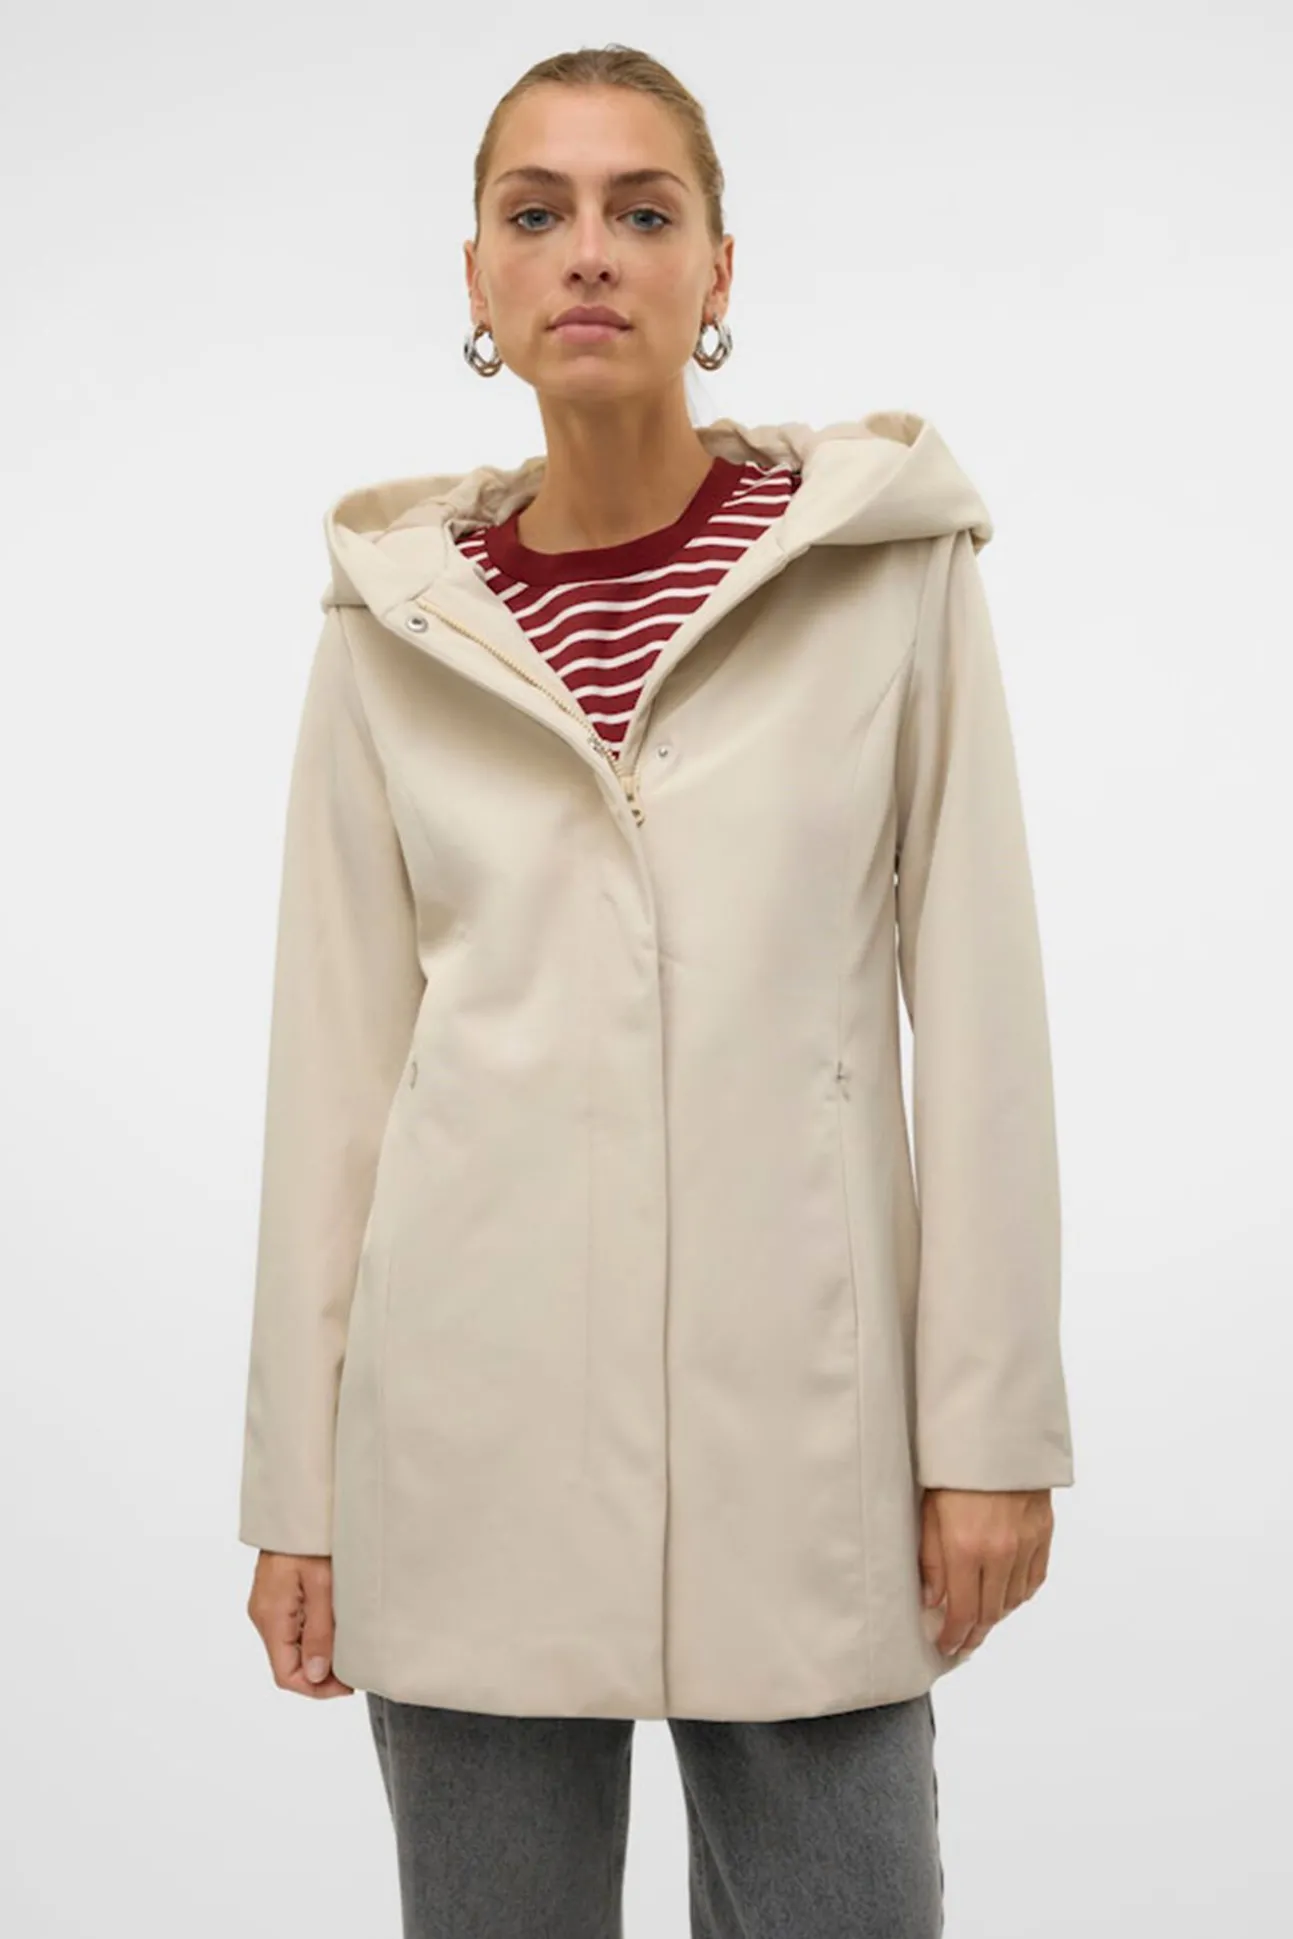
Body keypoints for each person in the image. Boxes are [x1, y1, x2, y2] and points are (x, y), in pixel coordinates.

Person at [238, 42, 1075, 1939]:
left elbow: (984, 1019)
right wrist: (300, 1483)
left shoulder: (887, 577)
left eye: (643, 209)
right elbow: (334, 1073)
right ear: (478, 278)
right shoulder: (391, 624)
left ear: (717, 269)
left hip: (805, 1431)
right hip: (464, 1433)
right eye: (537, 213)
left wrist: (991, 1434)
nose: (590, 251)